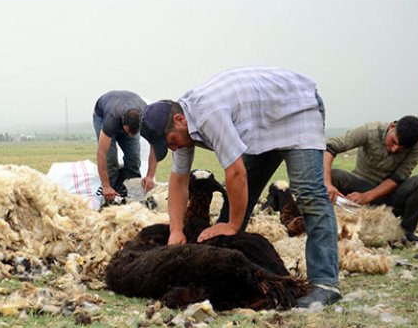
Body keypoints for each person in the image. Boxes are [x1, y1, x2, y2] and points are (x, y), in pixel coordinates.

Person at [140, 66, 341, 307]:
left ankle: (325, 283)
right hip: (260, 127)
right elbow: (178, 181)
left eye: (171, 142)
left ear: (179, 120)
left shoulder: (207, 114)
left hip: (296, 108)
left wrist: (233, 224)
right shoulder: (183, 125)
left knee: (308, 193)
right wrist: (175, 230)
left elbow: (235, 172)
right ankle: (242, 276)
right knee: (228, 219)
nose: (173, 148)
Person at [324, 116, 418, 242]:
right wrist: (327, 183)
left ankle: (404, 233)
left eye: (401, 149)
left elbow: (398, 177)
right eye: (393, 142)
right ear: (392, 127)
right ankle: (323, 224)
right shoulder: (369, 131)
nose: (394, 149)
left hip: (391, 196)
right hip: (358, 187)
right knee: (333, 175)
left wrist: (367, 196)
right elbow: (330, 147)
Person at [93, 90, 157, 203]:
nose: (129, 135)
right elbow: (101, 153)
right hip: (102, 115)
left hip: (129, 112)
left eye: (134, 132)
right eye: (127, 131)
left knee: (133, 159)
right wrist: (105, 185)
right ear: (123, 122)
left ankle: (135, 198)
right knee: (110, 160)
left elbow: (155, 147)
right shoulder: (111, 120)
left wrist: (150, 176)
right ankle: (110, 198)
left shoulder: (148, 116)